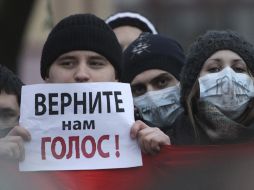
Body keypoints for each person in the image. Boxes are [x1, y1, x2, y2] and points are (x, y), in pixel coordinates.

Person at [7, 13, 170, 161]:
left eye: (96, 63)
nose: (81, 74)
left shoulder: (146, 141)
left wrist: (167, 156)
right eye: (67, 63)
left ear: (117, 78)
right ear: (47, 76)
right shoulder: (18, 142)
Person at [171, 30, 254, 145]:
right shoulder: (172, 140)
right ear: (194, 85)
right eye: (214, 69)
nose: (228, 76)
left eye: (238, 68)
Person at [121, 33, 185, 134]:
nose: (151, 96)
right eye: (139, 89)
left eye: (162, 82)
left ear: (184, 81)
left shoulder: (211, 133)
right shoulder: (126, 144)